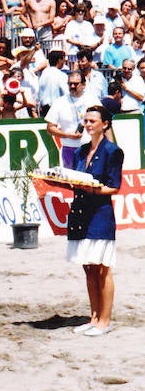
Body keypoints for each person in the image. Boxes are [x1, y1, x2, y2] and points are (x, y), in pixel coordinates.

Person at [66, 105, 122, 337]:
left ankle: (105, 320)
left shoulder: (112, 151)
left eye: (93, 121)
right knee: (88, 267)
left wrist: (93, 189)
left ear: (105, 124)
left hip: (100, 213)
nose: (88, 125)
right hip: (80, 210)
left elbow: (114, 186)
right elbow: (74, 179)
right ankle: (94, 316)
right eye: (86, 121)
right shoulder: (80, 152)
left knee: (102, 269)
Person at [45, 71, 98, 168]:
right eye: (70, 84)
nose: (72, 86)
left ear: (83, 84)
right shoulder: (59, 102)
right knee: (71, 181)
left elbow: (103, 122)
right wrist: (67, 135)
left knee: (91, 180)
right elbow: (50, 128)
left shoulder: (93, 100)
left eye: (76, 84)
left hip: (91, 148)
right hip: (69, 149)